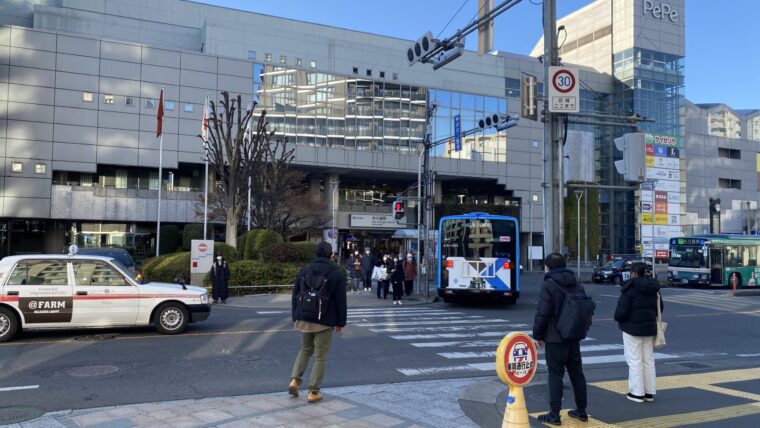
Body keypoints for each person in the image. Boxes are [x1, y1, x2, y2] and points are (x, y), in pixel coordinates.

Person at [533, 253, 589, 426]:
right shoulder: (577, 284)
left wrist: (537, 335)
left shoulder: (549, 284)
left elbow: (543, 313)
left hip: (555, 337)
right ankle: (581, 411)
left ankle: (554, 415)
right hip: (573, 336)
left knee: (555, 375)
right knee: (577, 373)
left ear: (548, 267)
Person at [288, 242, 347, 403]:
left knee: (305, 350)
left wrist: (296, 315)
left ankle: (294, 380)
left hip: (304, 317)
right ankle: (313, 391)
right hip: (324, 320)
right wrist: (341, 322)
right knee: (321, 356)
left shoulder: (304, 270)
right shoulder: (335, 272)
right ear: (330, 255)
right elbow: (340, 300)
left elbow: (295, 295)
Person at [614, 262, 663, 403]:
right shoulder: (654, 288)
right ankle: (649, 392)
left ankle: (637, 393)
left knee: (635, 360)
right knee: (648, 360)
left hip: (632, 329)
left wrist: (620, 318)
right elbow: (661, 308)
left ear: (634, 274)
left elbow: (620, 312)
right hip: (649, 328)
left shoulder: (630, 288)